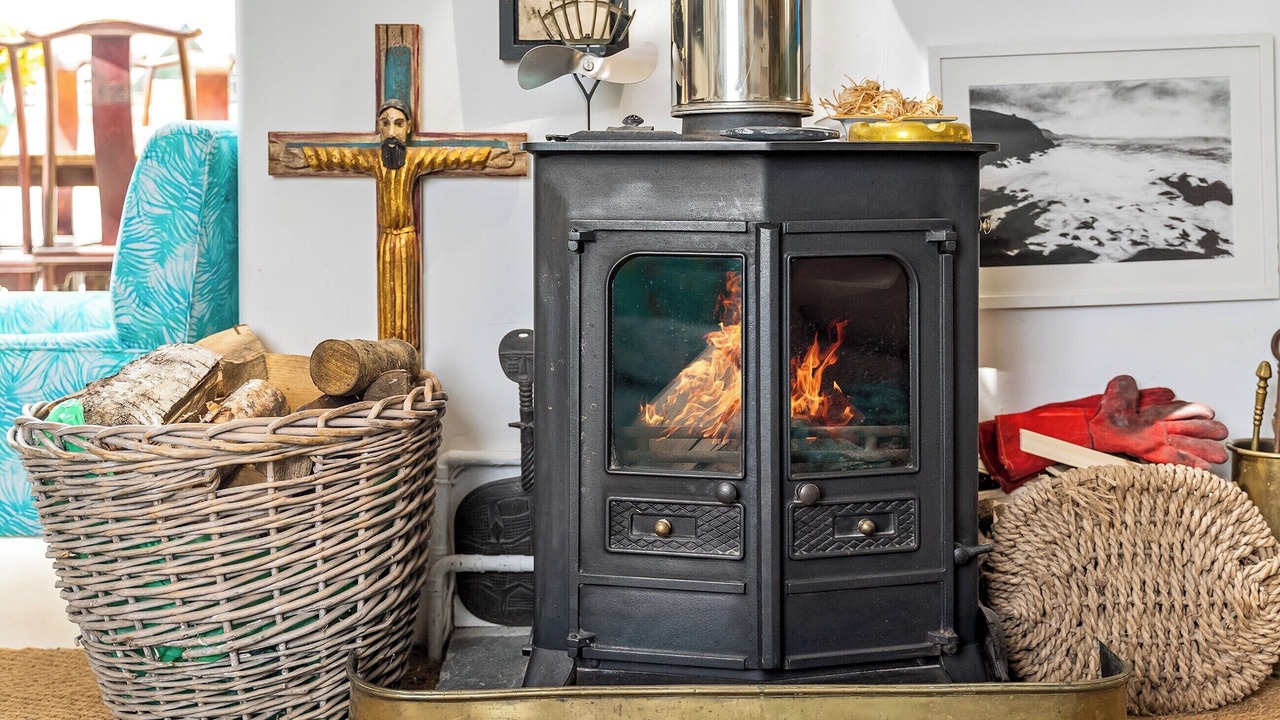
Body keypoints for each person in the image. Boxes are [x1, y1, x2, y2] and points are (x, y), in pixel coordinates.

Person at [277, 99, 513, 347]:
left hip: (406, 239)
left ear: (408, 127)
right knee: (387, 301)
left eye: (398, 123)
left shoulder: (415, 159)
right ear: (378, 127)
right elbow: (339, 156)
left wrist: (489, 154)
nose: (391, 131)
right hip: (386, 240)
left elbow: (451, 155)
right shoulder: (374, 160)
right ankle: (387, 358)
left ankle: (407, 357)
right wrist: (304, 155)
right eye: (385, 123)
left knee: (406, 303)